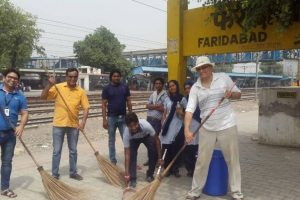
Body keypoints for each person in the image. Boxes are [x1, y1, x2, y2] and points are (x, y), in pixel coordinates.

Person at [184, 56, 243, 200]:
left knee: (232, 160)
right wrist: (187, 130)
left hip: (227, 125)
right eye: (199, 68)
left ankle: (236, 192)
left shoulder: (223, 78)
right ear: (197, 70)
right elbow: (189, 110)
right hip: (206, 127)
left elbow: (238, 94)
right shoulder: (195, 88)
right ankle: (195, 191)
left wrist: (231, 95)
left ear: (211, 67)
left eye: (205, 67)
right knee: (202, 161)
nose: (202, 70)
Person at [41, 67, 90, 181]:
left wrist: (82, 123)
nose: (73, 79)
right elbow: (43, 97)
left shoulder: (81, 91)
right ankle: (54, 174)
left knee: (73, 150)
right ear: (66, 77)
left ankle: (73, 173)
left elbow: (86, 108)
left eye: (75, 77)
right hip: (58, 124)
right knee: (56, 151)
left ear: (77, 77)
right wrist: (49, 85)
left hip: (74, 125)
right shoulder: (58, 88)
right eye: (70, 76)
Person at [0, 68, 28, 198]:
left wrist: (21, 126)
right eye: (10, 77)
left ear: (18, 80)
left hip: (10, 135)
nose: (12, 80)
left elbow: (24, 113)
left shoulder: (20, 95)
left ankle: (4, 188)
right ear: (4, 77)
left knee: (7, 162)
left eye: (15, 78)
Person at [102, 69, 132, 165]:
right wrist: (104, 119)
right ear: (111, 77)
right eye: (114, 76)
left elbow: (129, 101)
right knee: (111, 140)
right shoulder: (106, 89)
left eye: (118, 76)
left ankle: (130, 160)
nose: (116, 78)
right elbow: (103, 105)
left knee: (126, 138)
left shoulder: (125, 87)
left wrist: (131, 115)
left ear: (120, 77)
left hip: (123, 118)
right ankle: (113, 160)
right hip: (111, 118)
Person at [160, 80, 187, 177]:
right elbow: (165, 112)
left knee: (176, 148)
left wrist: (180, 112)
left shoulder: (182, 99)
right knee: (167, 148)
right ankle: (167, 168)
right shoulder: (167, 99)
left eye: (173, 85)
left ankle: (175, 169)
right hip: (168, 126)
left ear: (177, 86)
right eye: (170, 86)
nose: (172, 87)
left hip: (177, 125)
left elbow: (187, 114)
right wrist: (162, 122)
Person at [123, 112, 157, 188]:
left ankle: (150, 175)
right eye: (130, 126)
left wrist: (160, 157)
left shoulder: (146, 125)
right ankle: (133, 179)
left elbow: (157, 140)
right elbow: (127, 154)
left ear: (138, 122)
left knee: (153, 151)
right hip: (134, 139)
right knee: (132, 155)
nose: (133, 128)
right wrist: (126, 172)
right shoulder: (126, 133)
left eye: (135, 125)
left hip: (146, 136)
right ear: (127, 126)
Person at [144, 77, 168, 166]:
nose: (158, 85)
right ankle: (150, 159)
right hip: (149, 119)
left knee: (156, 140)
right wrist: (157, 106)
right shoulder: (153, 94)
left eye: (159, 83)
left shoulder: (165, 95)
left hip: (157, 120)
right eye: (156, 83)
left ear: (163, 84)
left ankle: (158, 159)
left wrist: (152, 106)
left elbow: (164, 108)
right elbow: (146, 105)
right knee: (149, 140)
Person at [183, 80, 201, 177]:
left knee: (197, 149)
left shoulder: (199, 99)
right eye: (185, 88)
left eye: (189, 88)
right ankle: (190, 169)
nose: (187, 90)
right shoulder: (184, 100)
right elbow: (182, 115)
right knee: (189, 148)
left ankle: (197, 169)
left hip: (198, 126)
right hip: (188, 127)